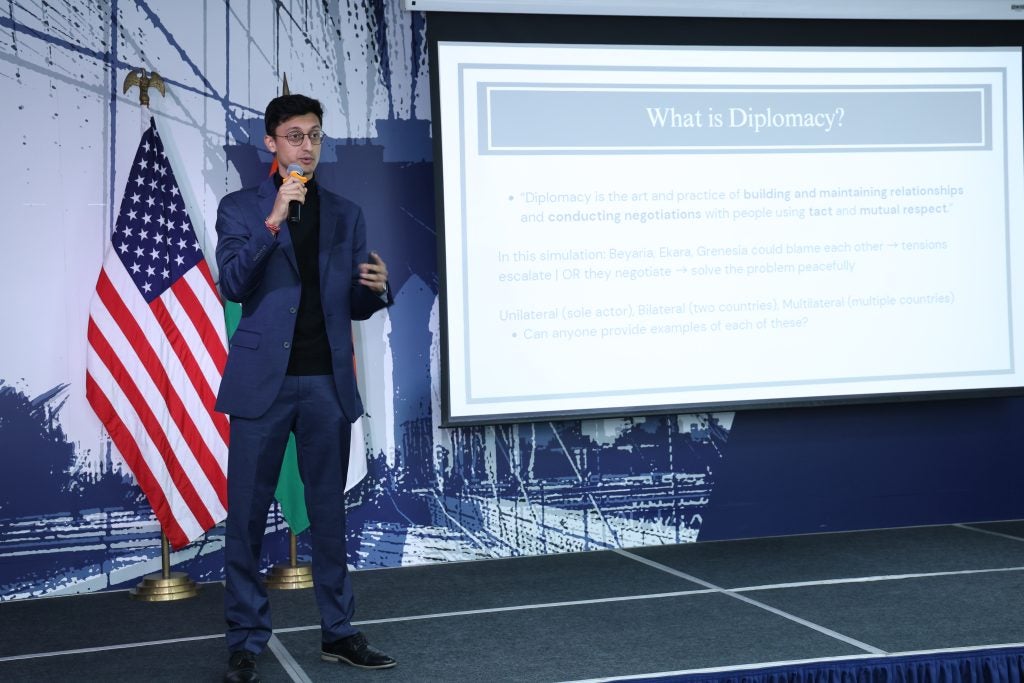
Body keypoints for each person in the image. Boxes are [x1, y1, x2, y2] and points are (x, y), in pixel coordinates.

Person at [214, 93, 396, 683]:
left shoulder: (345, 213)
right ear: (270, 142)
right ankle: (245, 639)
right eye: (295, 135)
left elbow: (354, 305)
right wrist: (274, 218)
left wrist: (376, 289)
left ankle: (339, 634)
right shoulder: (241, 208)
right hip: (263, 383)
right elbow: (236, 284)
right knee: (244, 517)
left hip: (324, 382)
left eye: (315, 135)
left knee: (329, 517)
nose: (307, 146)